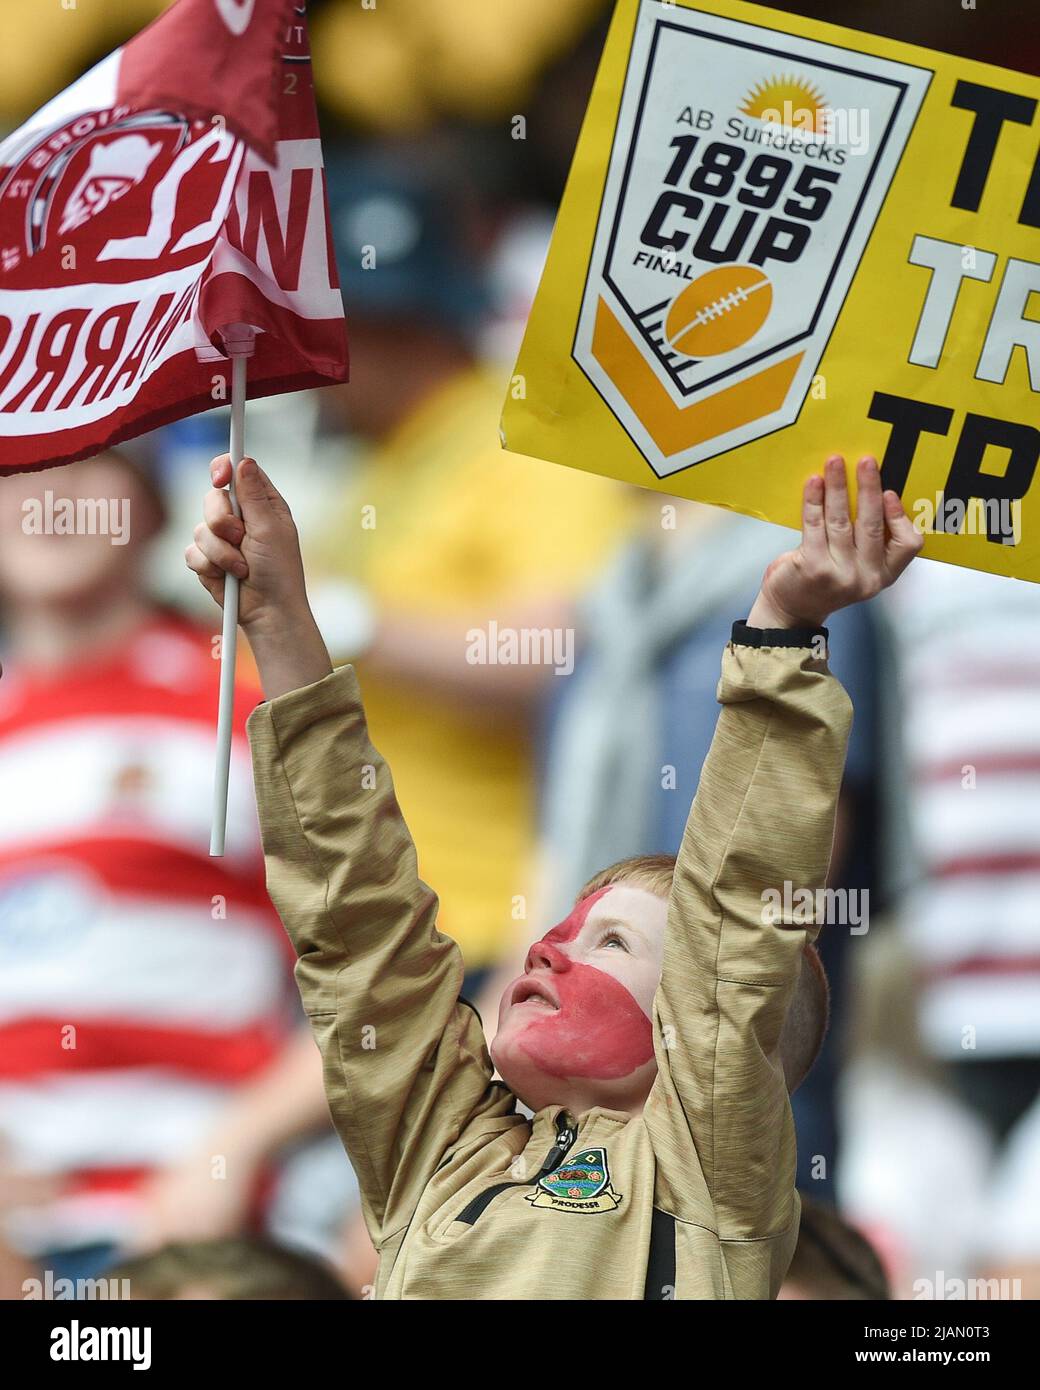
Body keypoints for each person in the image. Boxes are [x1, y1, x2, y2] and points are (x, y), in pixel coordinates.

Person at [185, 450, 923, 1299]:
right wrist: (279, 623)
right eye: (563, 930)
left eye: (612, 941)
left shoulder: (704, 1172)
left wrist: (783, 630)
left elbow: (739, 918)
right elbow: (360, 931)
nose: (548, 952)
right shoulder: (436, 1152)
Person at [0, 443, 339, 1282]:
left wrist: (230, 1152)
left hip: (205, 1240)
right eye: (19, 470)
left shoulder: (244, 705)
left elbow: (382, 976)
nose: (55, 494)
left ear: (151, 507)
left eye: (88, 460)